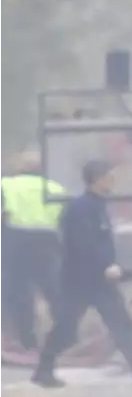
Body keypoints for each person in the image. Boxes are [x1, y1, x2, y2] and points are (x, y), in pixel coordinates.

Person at [31, 160, 132, 388]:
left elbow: (99, 242)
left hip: (99, 281)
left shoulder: (97, 205)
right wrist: (105, 267)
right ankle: (43, 370)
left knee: (120, 321)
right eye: (110, 176)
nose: (113, 180)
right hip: (80, 281)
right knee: (66, 327)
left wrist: (112, 267)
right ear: (98, 179)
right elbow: (82, 243)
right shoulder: (81, 208)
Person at [0, 150, 66, 351]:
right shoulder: (56, 188)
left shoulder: (5, 185)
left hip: (14, 240)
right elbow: (65, 220)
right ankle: (67, 336)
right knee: (53, 290)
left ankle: (26, 340)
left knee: (17, 291)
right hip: (47, 242)